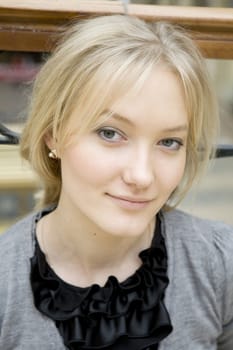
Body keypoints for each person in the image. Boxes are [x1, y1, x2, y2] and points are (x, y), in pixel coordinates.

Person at [0, 14, 232, 350]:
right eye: (110, 133)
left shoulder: (220, 265)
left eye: (169, 142)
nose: (141, 176)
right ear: (54, 135)